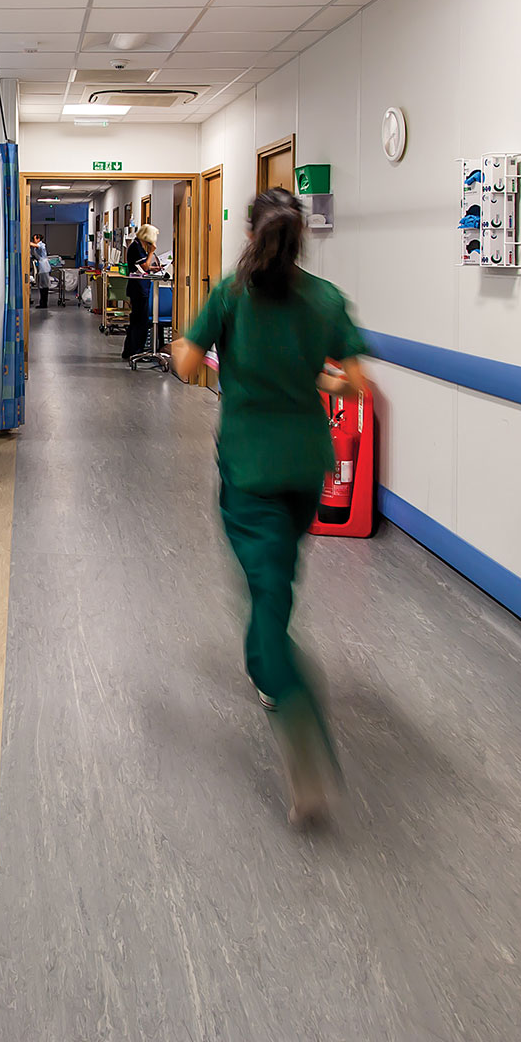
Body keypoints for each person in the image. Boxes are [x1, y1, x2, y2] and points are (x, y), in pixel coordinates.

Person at [170, 188, 370, 827]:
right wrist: (311, 375)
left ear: (251, 233)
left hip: (251, 470)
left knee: (266, 597)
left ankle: (292, 705)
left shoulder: (231, 296)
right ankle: (268, 669)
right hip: (306, 470)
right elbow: (354, 383)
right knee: (276, 581)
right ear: (300, 236)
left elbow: (187, 366)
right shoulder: (327, 299)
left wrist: (195, 351)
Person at [121, 223, 160, 360]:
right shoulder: (137, 247)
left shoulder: (138, 246)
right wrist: (151, 252)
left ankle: (130, 350)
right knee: (140, 321)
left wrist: (153, 268)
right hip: (138, 288)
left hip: (139, 287)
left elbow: (143, 267)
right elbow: (144, 266)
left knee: (137, 320)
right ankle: (136, 351)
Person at [31, 234, 52, 309]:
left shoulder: (41, 245)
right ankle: (42, 303)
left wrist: (27, 242)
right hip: (42, 267)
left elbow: (37, 246)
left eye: (35, 239)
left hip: (44, 267)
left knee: (44, 286)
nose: (34, 241)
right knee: (42, 286)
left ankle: (44, 304)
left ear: (38, 239)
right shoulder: (37, 245)